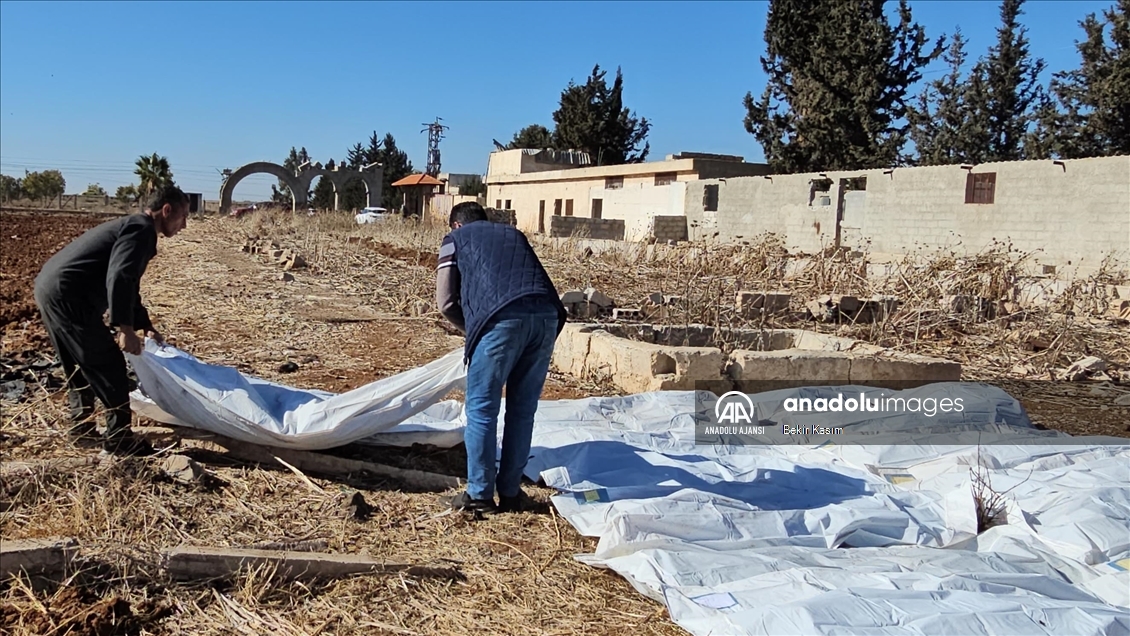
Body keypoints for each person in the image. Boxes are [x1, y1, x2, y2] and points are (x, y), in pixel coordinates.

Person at [33, 184, 189, 456]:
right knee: (110, 366)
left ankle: (80, 430)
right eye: (183, 216)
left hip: (51, 289)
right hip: (70, 297)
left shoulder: (134, 226)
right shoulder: (141, 231)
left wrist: (145, 325)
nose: (184, 225)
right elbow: (119, 277)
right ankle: (119, 440)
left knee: (79, 364)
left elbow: (129, 283)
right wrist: (124, 329)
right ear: (166, 210)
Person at [435, 201, 567, 513]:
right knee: (522, 411)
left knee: (482, 408)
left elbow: (445, 301)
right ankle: (510, 493)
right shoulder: (513, 235)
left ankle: (480, 497)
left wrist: (474, 328)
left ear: (456, 224)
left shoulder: (455, 240)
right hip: (547, 317)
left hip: (501, 318)